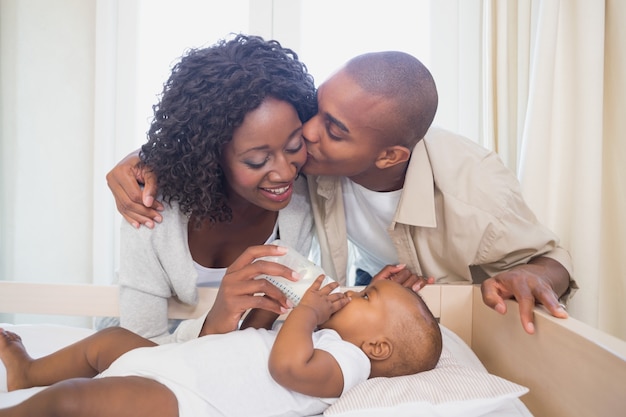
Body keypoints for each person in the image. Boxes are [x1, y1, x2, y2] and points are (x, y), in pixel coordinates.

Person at [107, 51, 577, 335]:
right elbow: (227, 127)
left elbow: (551, 261)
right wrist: (148, 158)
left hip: (449, 321)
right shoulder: (305, 158)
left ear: (389, 156)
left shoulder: (474, 191)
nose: (306, 136)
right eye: (315, 109)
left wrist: (534, 275)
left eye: (330, 128)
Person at [99, 33, 327, 344]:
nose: (285, 172)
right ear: (210, 158)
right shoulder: (150, 210)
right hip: (139, 353)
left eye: (294, 145)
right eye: (258, 160)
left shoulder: (303, 198)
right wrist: (212, 326)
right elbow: (139, 344)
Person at [0, 266, 443, 417]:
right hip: (178, 362)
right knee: (109, 339)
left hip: (186, 399)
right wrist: (275, 303)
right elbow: (255, 340)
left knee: (77, 401)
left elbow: (285, 368)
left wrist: (306, 313)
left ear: (377, 348)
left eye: (367, 296)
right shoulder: (323, 333)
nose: (350, 292)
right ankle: (30, 372)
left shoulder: (348, 362)